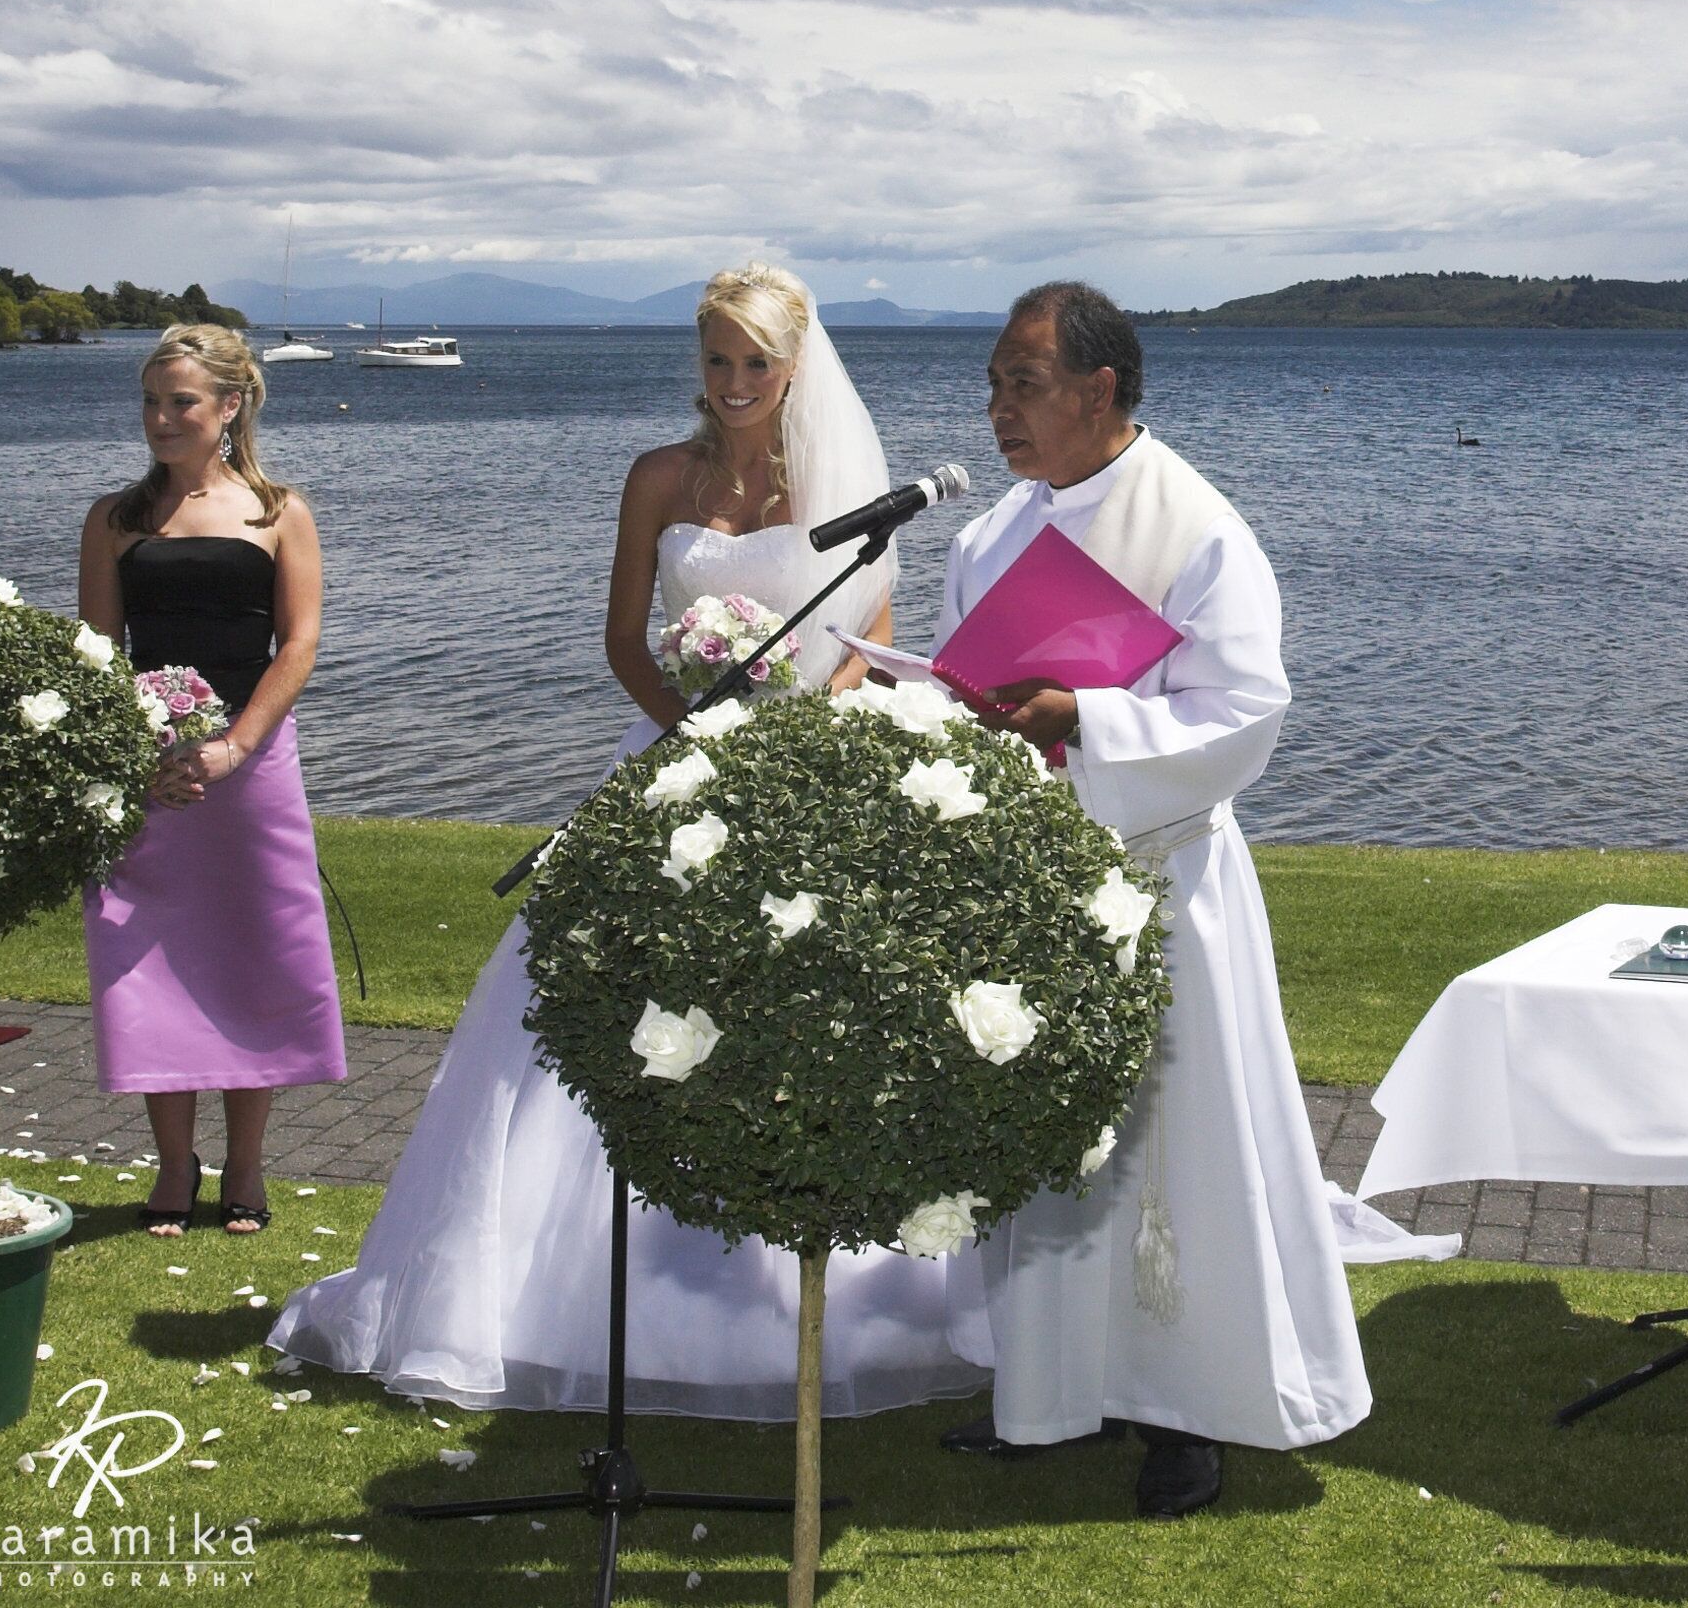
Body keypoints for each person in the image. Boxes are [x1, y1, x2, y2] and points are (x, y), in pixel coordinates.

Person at [271, 263, 990, 1418]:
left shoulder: (840, 482)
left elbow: (871, 637)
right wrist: (695, 733)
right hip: (671, 762)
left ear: (795, 364)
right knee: (604, 1015)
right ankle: (545, 1305)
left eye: (758, 361)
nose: (738, 381)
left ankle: (814, 1299)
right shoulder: (659, 476)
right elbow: (622, 637)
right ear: (697, 362)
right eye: (718, 358)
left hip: (802, 778)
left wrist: (798, 736)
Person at [934, 281, 1369, 1520]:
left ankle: (1191, 1409)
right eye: (996, 382)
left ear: (1099, 390)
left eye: (1024, 381)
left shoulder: (1197, 526)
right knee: (1036, 1137)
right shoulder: (988, 535)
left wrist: (1095, 718)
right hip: (1033, 878)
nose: (1000, 408)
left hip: (1161, 875)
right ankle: (1045, 1389)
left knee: (1169, 1145)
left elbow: (1248, 708)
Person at [79, 323, 345, 1236]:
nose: (161, 418)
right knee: (146, 958)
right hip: (147, 776)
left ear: (230, 406)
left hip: (252, 765)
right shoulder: (115, 520)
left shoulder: (279, 513)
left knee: (251, 955)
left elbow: (299, 642)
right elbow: (96, 653)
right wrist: (137, 752)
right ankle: (170, 1165)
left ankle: (245, 1164)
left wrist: (236, 745)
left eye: (181, 401)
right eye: (151, 402)